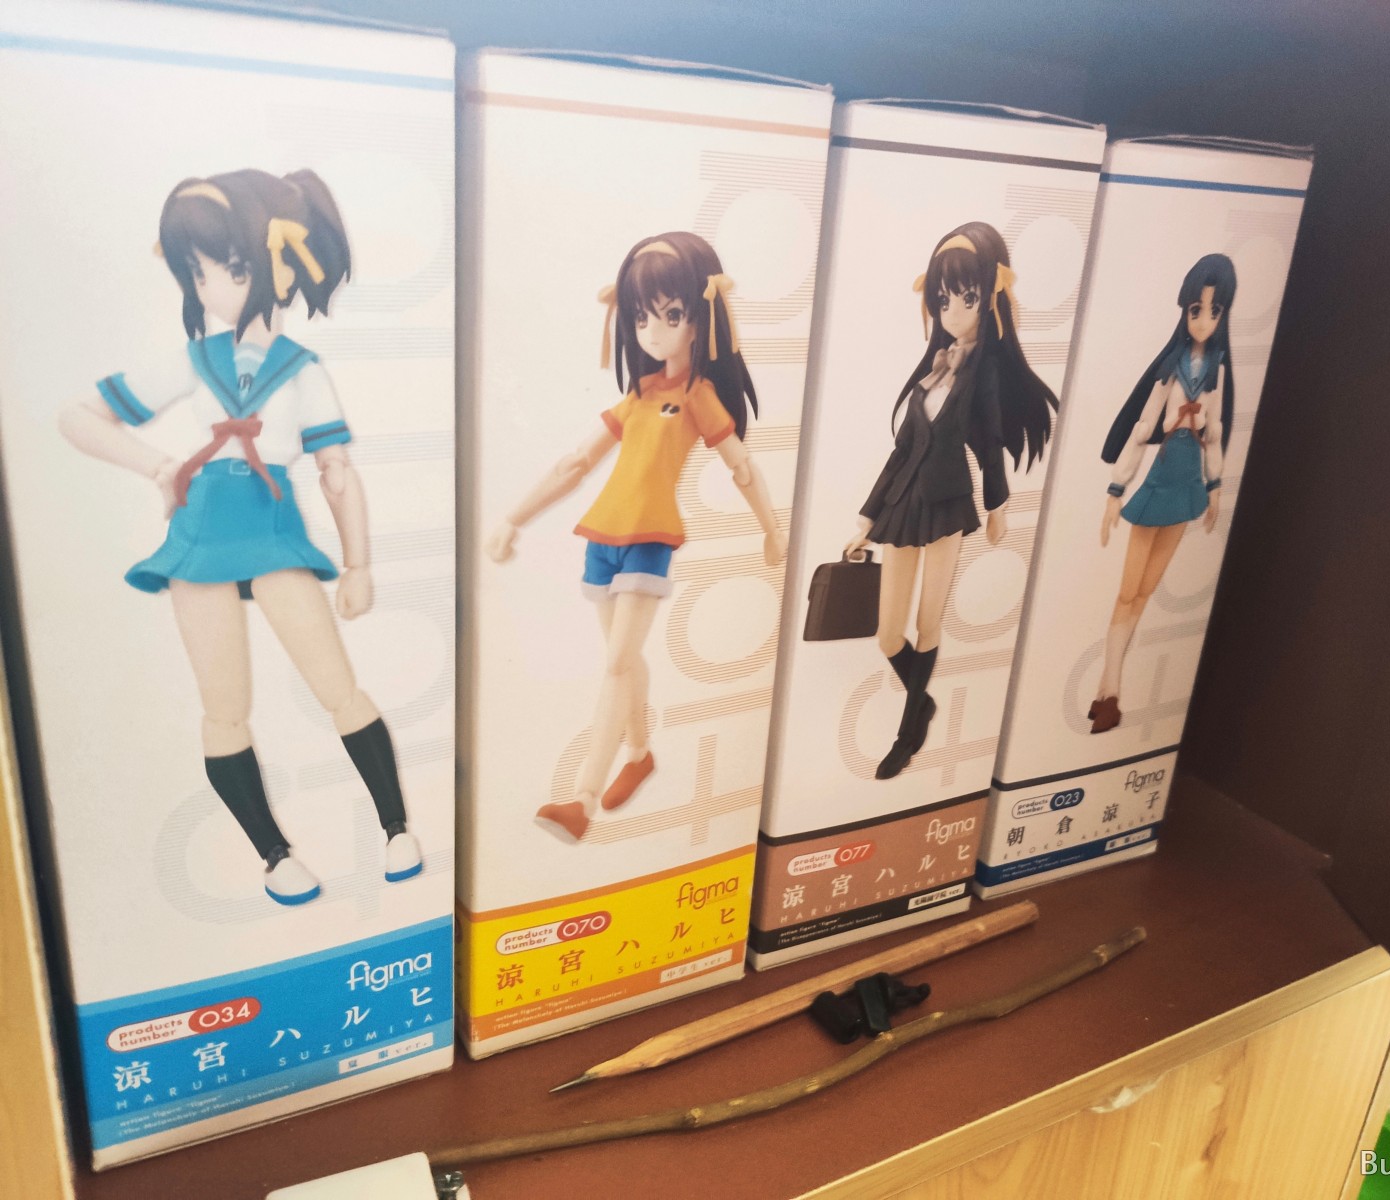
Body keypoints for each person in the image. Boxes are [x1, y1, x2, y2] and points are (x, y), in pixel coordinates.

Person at [59, 169, 421, 905]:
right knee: (223, 707)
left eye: (226, 267)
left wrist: (358, 563)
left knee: (337, 687)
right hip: (200, 533)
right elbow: (78, 417)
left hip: (272, 524)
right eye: (197, 272)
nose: (209, 287)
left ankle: (395, 828)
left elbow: (337, 472)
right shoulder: (194, 361)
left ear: (275, 265)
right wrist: (157, 465)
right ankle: (273, 855)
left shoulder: (302, 371)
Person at [486, 232, 786, 841]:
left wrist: (772, 530)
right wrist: (513, 517)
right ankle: (641, 754)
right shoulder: (640, 396)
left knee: (617, 663)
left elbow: (742, 466)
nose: (652, 331)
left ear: (700, 319)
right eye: (642, 317)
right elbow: (576, 463)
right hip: (602, 540)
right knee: (623, 660)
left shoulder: (699, 396)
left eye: (671, 315)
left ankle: (582, 799)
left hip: (650, 539)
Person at [844, 222, 1057, 779]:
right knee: (888, 634)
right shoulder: (934, 368)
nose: (953, 311)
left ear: (989, 299)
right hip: (901, 504)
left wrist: (997, 506)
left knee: (927, 621)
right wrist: (867, 517)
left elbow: (990, 443)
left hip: (946, 504)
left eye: (966, 298)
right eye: (943, 300)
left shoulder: (984, 371)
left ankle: (907, 731)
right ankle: (923, 701)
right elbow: (901, 451)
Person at [1091, 253, 1237, 734]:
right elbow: (1143, 426)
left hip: (1189, 484)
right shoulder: (1171, 366)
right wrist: (1116, 490)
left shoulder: (1216, 369)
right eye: (1197, 309)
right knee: (1127, 590)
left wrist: (1215, 487)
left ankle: (1108, 691)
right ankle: (1110, 688)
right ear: (1185, 310)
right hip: (1158, 479)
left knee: (1146, 591)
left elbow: (1214, 431)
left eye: (1214, 311)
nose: (1204, 320)